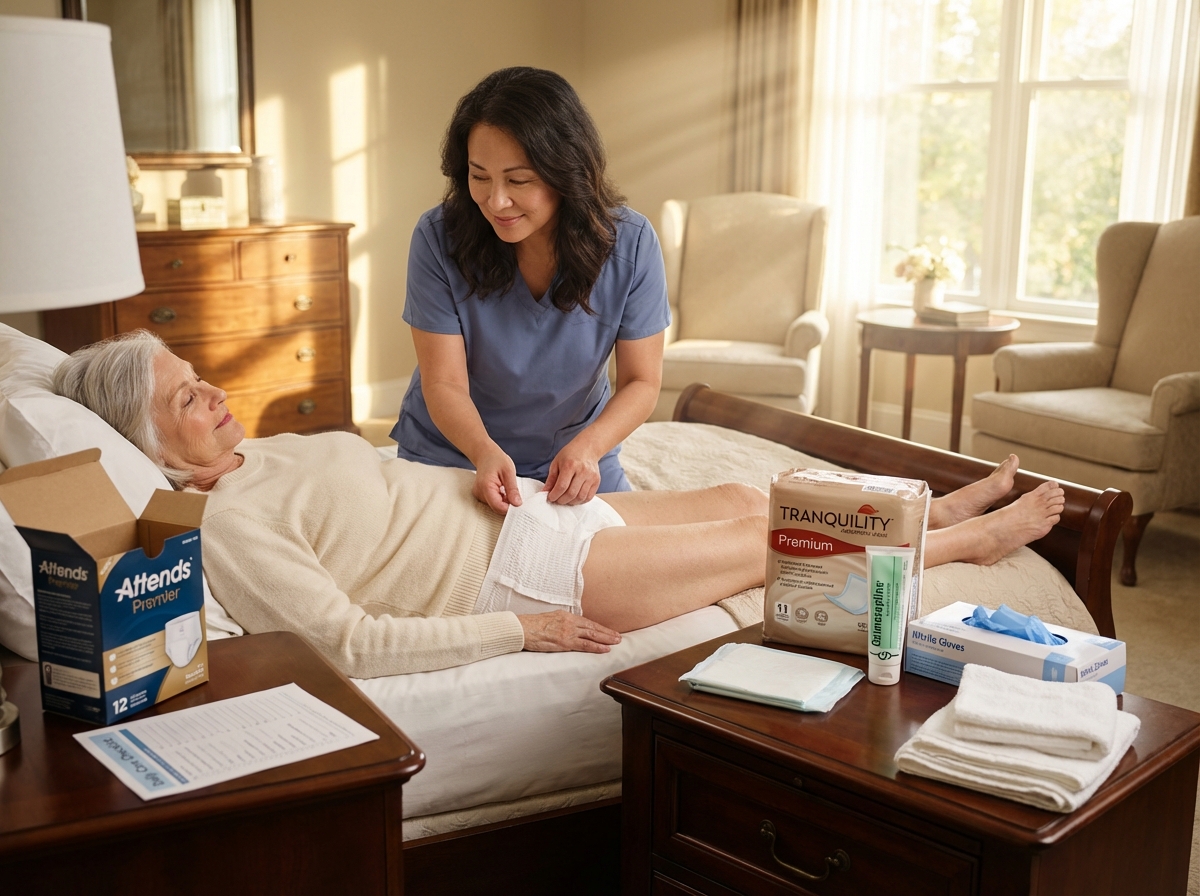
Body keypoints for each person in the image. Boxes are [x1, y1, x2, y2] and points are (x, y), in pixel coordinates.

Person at [54, 332, 1066, 679]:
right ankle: (969, 538)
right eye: (187, 398)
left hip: (538, 513)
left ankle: (929, 500)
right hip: (528, 572)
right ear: (147, 448)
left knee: (743, 491)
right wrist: (519, 629)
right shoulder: (219, 524)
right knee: (777, 540)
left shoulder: (253, 459)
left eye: (199, 377)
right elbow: (349, 643)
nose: (216, 393)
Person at [392, 66, 668, 516]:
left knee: (636, 556)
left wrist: (590, 448)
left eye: (518, 180)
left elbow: (642, 381)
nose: (495, 200)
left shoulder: (631, 244)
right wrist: (482, 452)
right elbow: (442, 382)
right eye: (478, 176)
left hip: (573, 454)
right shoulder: (437, 237)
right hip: (456, 453)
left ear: (566, 172)